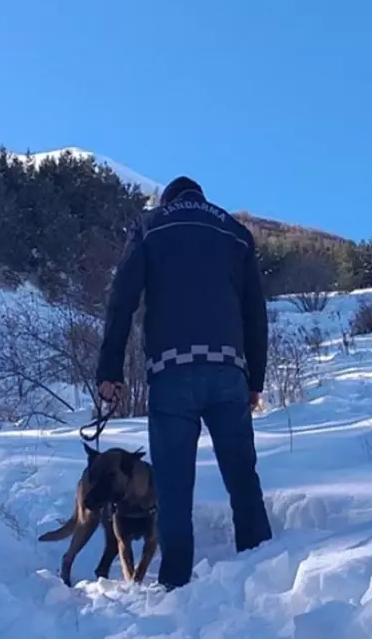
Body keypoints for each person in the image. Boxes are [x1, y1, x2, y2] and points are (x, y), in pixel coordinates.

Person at [95, 175, 273, 589]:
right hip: (229, 372)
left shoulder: (150, 226)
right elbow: (255, 315)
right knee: (243, 477)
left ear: (170, 199)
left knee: (174, 487)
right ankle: (262, 571)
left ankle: (177, 584)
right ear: (201, 199)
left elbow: (121, 300)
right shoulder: (235, 232)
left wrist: (110, 371)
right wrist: (255, 380)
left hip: (171, 373)